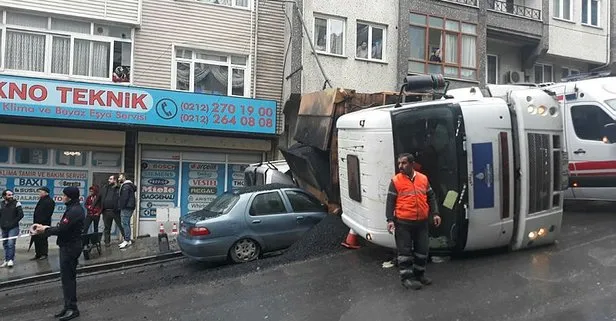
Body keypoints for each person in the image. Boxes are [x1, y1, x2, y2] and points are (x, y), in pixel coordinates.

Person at [386, 153, 441, 290]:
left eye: (404, 163)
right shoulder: (396, 181)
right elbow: (390, 202)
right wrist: (390, 220)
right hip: (403, 222)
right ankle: (407, 279)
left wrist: (435, 213)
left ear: (412, 164)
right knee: (404, 253)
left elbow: (431, 197)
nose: (400, 166)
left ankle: (419, 274)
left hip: (421, 222)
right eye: (399, 163)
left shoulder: (423, 179)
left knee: (422, 250)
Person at [31, 186, 84, 321]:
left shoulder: (74, 211)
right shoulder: (72, 208)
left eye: (64, 195)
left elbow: (62, 228)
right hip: (67, 246)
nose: (63, 197)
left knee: (68, 279)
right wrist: (46, 228)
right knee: (66, 279)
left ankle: (73, 308)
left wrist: (44, 230)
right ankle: (68, 306)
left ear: (70, 197)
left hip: (70, 248)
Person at [96, 175, 125, 247]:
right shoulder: (105, 188)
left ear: (115, 180)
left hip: (115, 211)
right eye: (109, 179)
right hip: (106, 211)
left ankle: (127, 239)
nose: (109, 180)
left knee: (121, 226)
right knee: (107, 228)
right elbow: (98, 197)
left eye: (111, 179)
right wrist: (94, 206)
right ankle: (107, 242)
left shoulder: (119, 188)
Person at [0, 189, 24, 268]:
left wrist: (13, 223)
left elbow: (21, 215)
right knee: (5, 243)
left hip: (13, 227)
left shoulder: (17, 203)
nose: (11, 196)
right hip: (4, 227)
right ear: (4, 196)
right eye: (9, 195)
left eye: (12, 195)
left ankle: (10, 260)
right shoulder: (1, 204)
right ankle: (6, 260)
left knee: (11, 243)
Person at [32, 187, 55, 260]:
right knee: (36, 238)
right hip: (37, 223)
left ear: (46, 192)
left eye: (41, 192)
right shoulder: (41, 200)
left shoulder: (50, 201)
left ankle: (44, 254)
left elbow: (48, 213)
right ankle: (38, 254)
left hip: (43, 224)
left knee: (43, 239)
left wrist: (42, 223)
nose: (39, 193)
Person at [117, 173, 136, 249]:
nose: (118, 179)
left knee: (125, 223)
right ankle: (128, 240)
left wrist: (121, 206)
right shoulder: (128, 185)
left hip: (126, 207)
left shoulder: (126, 186)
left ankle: (127, 240)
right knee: (126, 223)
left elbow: (124, 198)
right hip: (129, 207)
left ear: (124, 177)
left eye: (120, 177)